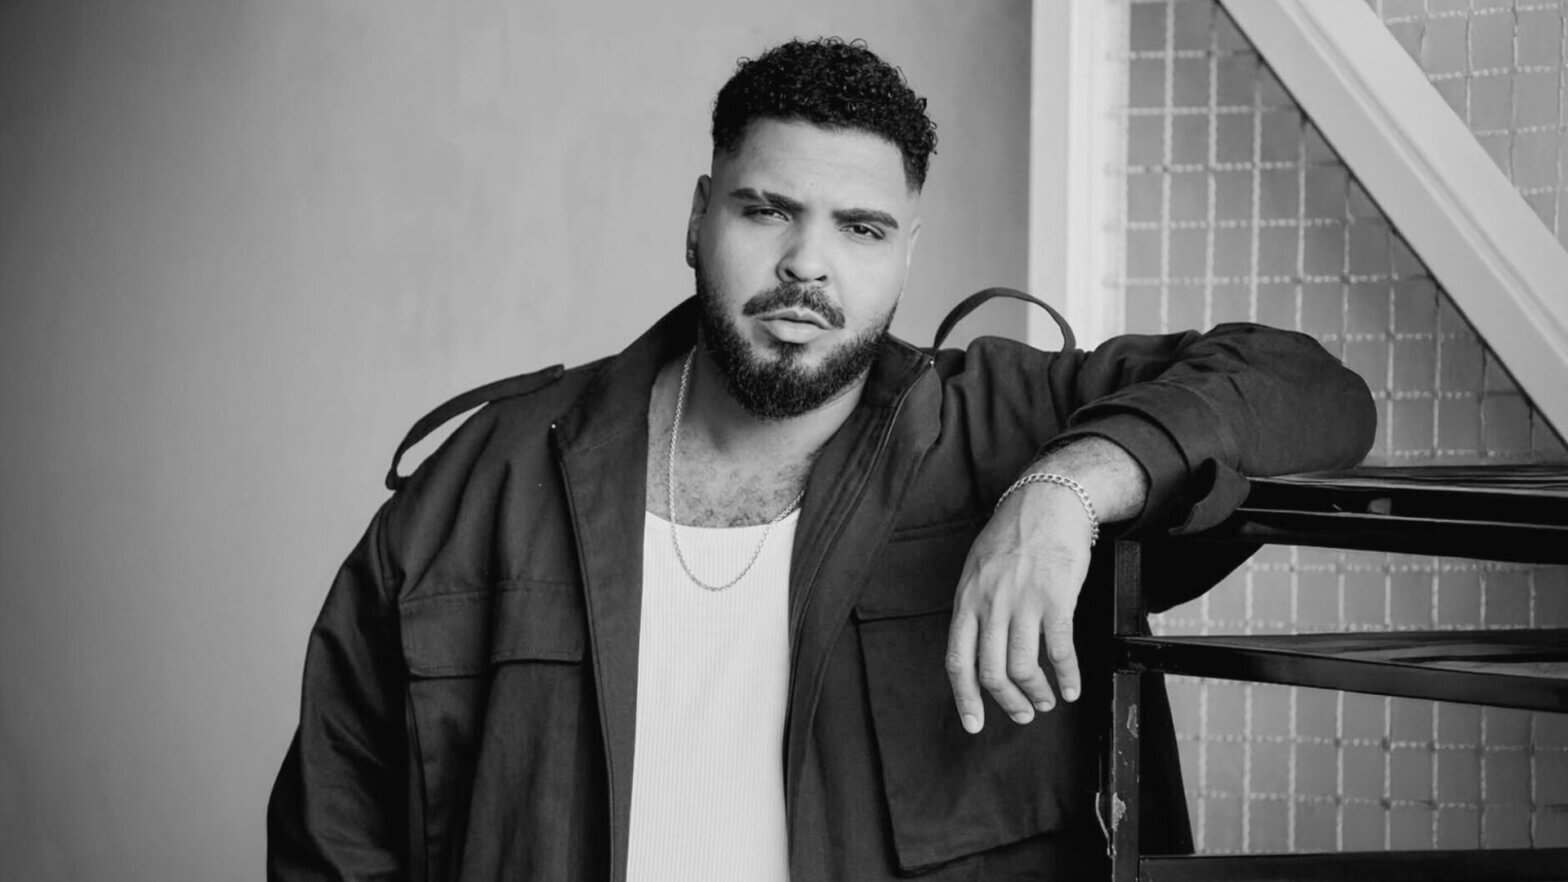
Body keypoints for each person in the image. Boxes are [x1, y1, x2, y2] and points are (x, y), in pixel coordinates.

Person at [268, 37, 1375, 881]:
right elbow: (334, 837)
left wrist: (1062, 491)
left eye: (860, 228)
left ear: (906, 254)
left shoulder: (998, 429)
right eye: (767, 210)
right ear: (699, 218)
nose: (808, 264)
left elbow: (1306, 389)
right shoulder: (486, 484)